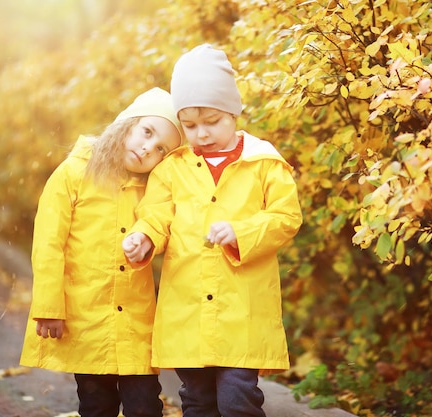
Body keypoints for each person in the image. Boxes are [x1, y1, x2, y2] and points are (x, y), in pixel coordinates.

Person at [122, 44, 303, 417]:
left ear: (234, 112)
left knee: (239, 398)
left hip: (243, 310)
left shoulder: (264, 163)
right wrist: (145, 236)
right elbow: (156, 213)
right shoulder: (172, 168)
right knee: (197, 400)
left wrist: (243, 232)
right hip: (187, 307)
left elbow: (286, 218)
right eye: (189, 126)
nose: (201, 134)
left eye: (212, 121)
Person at [19, 87, 184, 417]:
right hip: (86, 317)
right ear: (127, 124)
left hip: (136, 321)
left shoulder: (154, 188)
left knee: (145, 407)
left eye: (160, 149)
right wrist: (49, 307)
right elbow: (48, 243)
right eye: (147, 132)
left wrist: (149, 242)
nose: (147, 148)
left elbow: (163, 224)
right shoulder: (74, 173)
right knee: (96, 405)